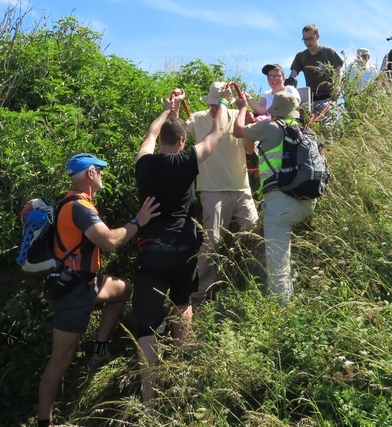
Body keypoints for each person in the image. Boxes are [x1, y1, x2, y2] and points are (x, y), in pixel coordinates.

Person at [35, 153, 160, 427]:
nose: (102, 175)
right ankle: (44, 420)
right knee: (61, 359)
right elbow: (109, 241)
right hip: (73, 291)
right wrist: (138, 221)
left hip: (87, 284)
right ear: (90, 174)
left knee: (123, 289)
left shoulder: (73, 201)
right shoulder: (79, 207)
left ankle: (100, 350)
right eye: (100, 171)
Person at [133, 91, 229, 403]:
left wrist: (166, 111)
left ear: (162, 139)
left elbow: (148, 135)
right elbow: (219, 132)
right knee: (182, 303)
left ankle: (149, 398)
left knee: (146, 326)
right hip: (182, 249)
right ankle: (181, 369)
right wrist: (224, 103)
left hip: (150, 251)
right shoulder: (187, 160)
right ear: (182, 142)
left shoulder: (144, 165)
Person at [232, 91, 317, 304]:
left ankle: (282, 312)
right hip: (307, 200)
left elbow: (237, 131)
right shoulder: (304, 130)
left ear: (274, 110)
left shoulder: (270, 126)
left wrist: (243, 107)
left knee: (277, 264)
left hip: (280, 202)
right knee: (285, 256)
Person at [187, 82, 259, 304]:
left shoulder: (240, 114)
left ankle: (250, 278)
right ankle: (198, 294)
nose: (216, 108)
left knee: (255, 232)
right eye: (213, 104)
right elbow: (178, 135)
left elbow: (249, 150)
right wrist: (172, 110)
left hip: (241, 187)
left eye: (219, 104)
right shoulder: (197, 119)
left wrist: (246, 120)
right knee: (212, 242)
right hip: (211, 189)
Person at [288, 24, 344, 138]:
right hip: (309, 98)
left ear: (317, 36)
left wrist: (338, 86)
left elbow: (339, 72)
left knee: (326, 126)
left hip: (327, 97)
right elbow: (293, 75)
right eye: (305, 39)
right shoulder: (301, 56)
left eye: (310, 38)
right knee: (301, 124)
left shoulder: (328, 52)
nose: (308, 42)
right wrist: (287, 89)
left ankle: (329, 149)